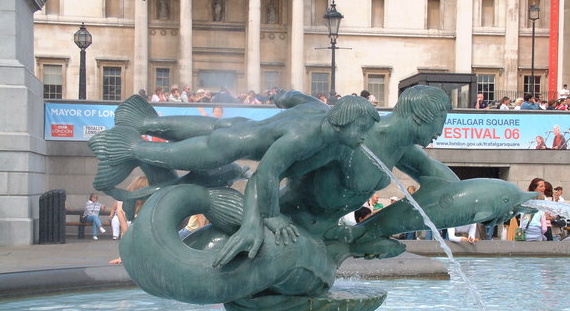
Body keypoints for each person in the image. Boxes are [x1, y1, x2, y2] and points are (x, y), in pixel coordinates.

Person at [91, 94, 381, 263]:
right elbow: (267, 172)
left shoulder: (322, 111)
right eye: (362, 128)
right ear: (344, 122)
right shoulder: (305, 137)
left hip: (245, 127)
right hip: (229, 147)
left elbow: (294, 96)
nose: (365, 136)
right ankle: (126, 147)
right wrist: (272, 217)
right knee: (175, 151)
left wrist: (281, 96)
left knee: (219, 126)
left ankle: (142, 121)